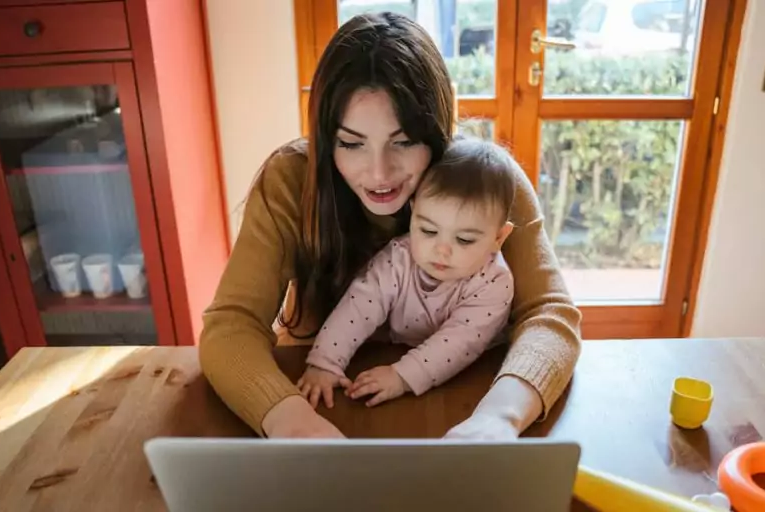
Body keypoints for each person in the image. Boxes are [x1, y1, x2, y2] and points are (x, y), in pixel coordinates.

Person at [199, 12, 581, 440]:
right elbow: (231, 326)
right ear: (327, 139)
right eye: (351, 143)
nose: (379, 173)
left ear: (437, 131)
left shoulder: (488, 184)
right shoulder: (291, 181)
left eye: (402, 141)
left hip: (464, 402)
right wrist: (287, 418)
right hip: (322, 398)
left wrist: (500, 417)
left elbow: (550, 315)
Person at [298, 138, 517, 409]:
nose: (441, 250)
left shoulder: (494, 281)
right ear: (413, 212)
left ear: (499, 237)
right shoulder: (398, 258)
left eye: (464, 240)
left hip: (475, 374)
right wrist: (326, 362)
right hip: (397, 350)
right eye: (428, 231)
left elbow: (460, 342)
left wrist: (401, 376)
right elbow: (358, 306)